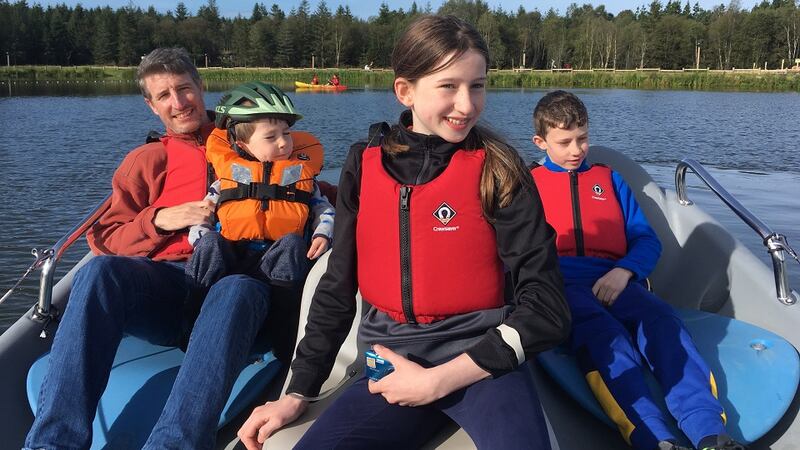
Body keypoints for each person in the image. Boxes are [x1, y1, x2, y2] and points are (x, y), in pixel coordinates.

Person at [238, 15, 570, 450]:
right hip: (391, 364)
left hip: (484, 365)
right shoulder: (363, 165)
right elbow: (338, 287)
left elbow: (547, 308)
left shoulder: (500, 169)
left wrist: (435, 382)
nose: (467, 105)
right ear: (405, 91)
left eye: (477, 85)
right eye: (449, 86)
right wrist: (297, 391)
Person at [24, 48, 276, 450]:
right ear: (151, 105)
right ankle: (52, 443)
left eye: (184, 89)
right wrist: (158, 220)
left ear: (201, 87)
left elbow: (306, 188)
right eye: (164, 95)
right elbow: (105, 239)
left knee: (237, 288)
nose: (178, 103)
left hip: (237, 283)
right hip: (172, 289)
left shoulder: (251, 139)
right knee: (99, 272)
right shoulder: (146, 160)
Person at [529, 91, 745, 450]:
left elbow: (646, 239)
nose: (576, 150)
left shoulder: (610, 179)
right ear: (540, 142)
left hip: (618, 278)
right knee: (604, 335)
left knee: (663, 320)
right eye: (564, 142)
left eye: (583, 138)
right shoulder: (527, 185)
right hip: (562, 284)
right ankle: (654, 438)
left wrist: (625, 271)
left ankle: (709, 433)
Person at [186, 81, 334, 289]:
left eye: (286, 133)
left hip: (276, 258)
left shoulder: (301, 177)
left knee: (292, 243)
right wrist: (200, 239)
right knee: (210, 242)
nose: (283, 142)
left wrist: (323, 233)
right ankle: (196, 298)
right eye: (270, 137)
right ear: (242, 145)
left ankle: (282, 303)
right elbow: (203, 215)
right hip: (233, 255)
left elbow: (324, 210)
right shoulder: (226, 179)